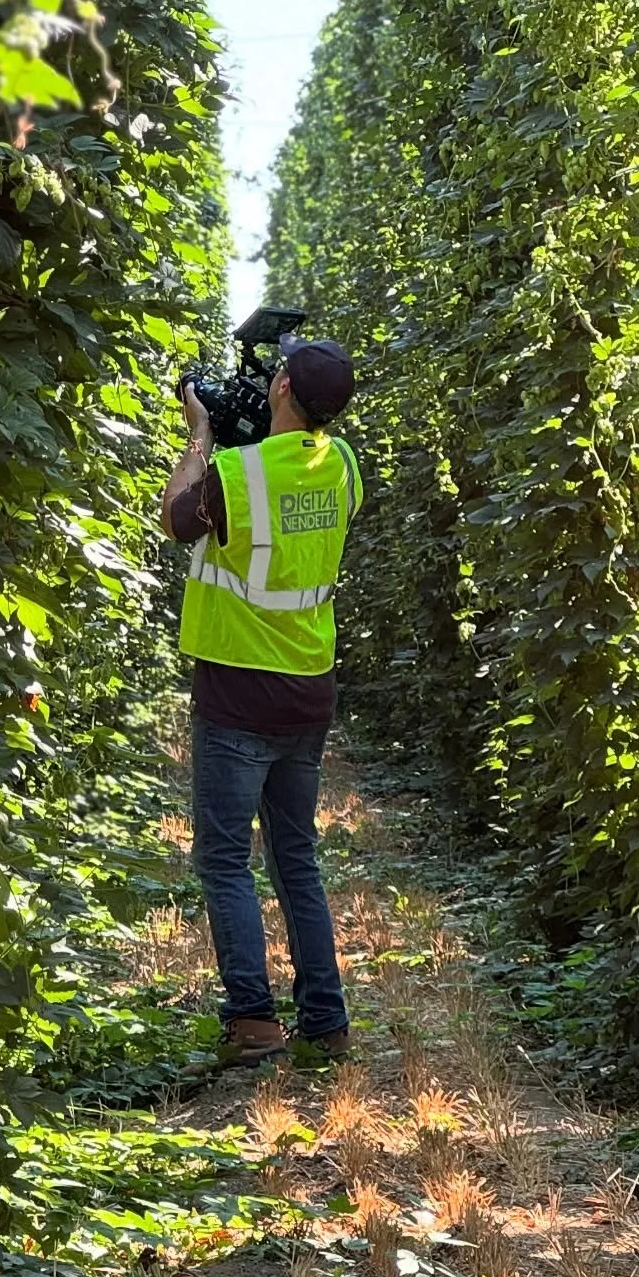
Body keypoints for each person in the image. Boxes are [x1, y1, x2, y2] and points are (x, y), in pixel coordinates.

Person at [161, 332, 363, 1066]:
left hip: (236, 692)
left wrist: (198, 439)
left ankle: (253, 1020)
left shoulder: (238, 474)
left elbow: (178, 518)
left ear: (280, 389)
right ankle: (326, 1020)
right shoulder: (342, 464)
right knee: (295, 857)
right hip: (309, 688)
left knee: (222, 858)